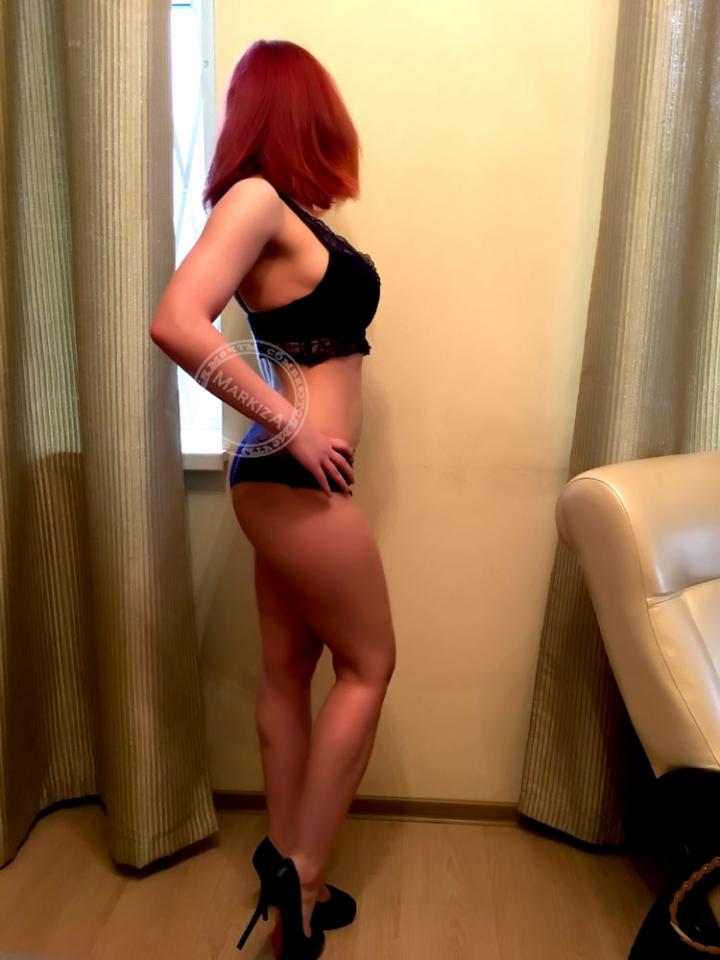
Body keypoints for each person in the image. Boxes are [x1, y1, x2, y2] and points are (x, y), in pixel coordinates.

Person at [150, 38, 396, 960]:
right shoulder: (255, 198)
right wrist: (293, 426)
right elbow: (176, 321)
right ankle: (307, 875)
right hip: (291, 476)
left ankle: (284, 865)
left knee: (290, 670)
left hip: (284, 482)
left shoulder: (285, 213)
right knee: (370, 666)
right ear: (298, 112)